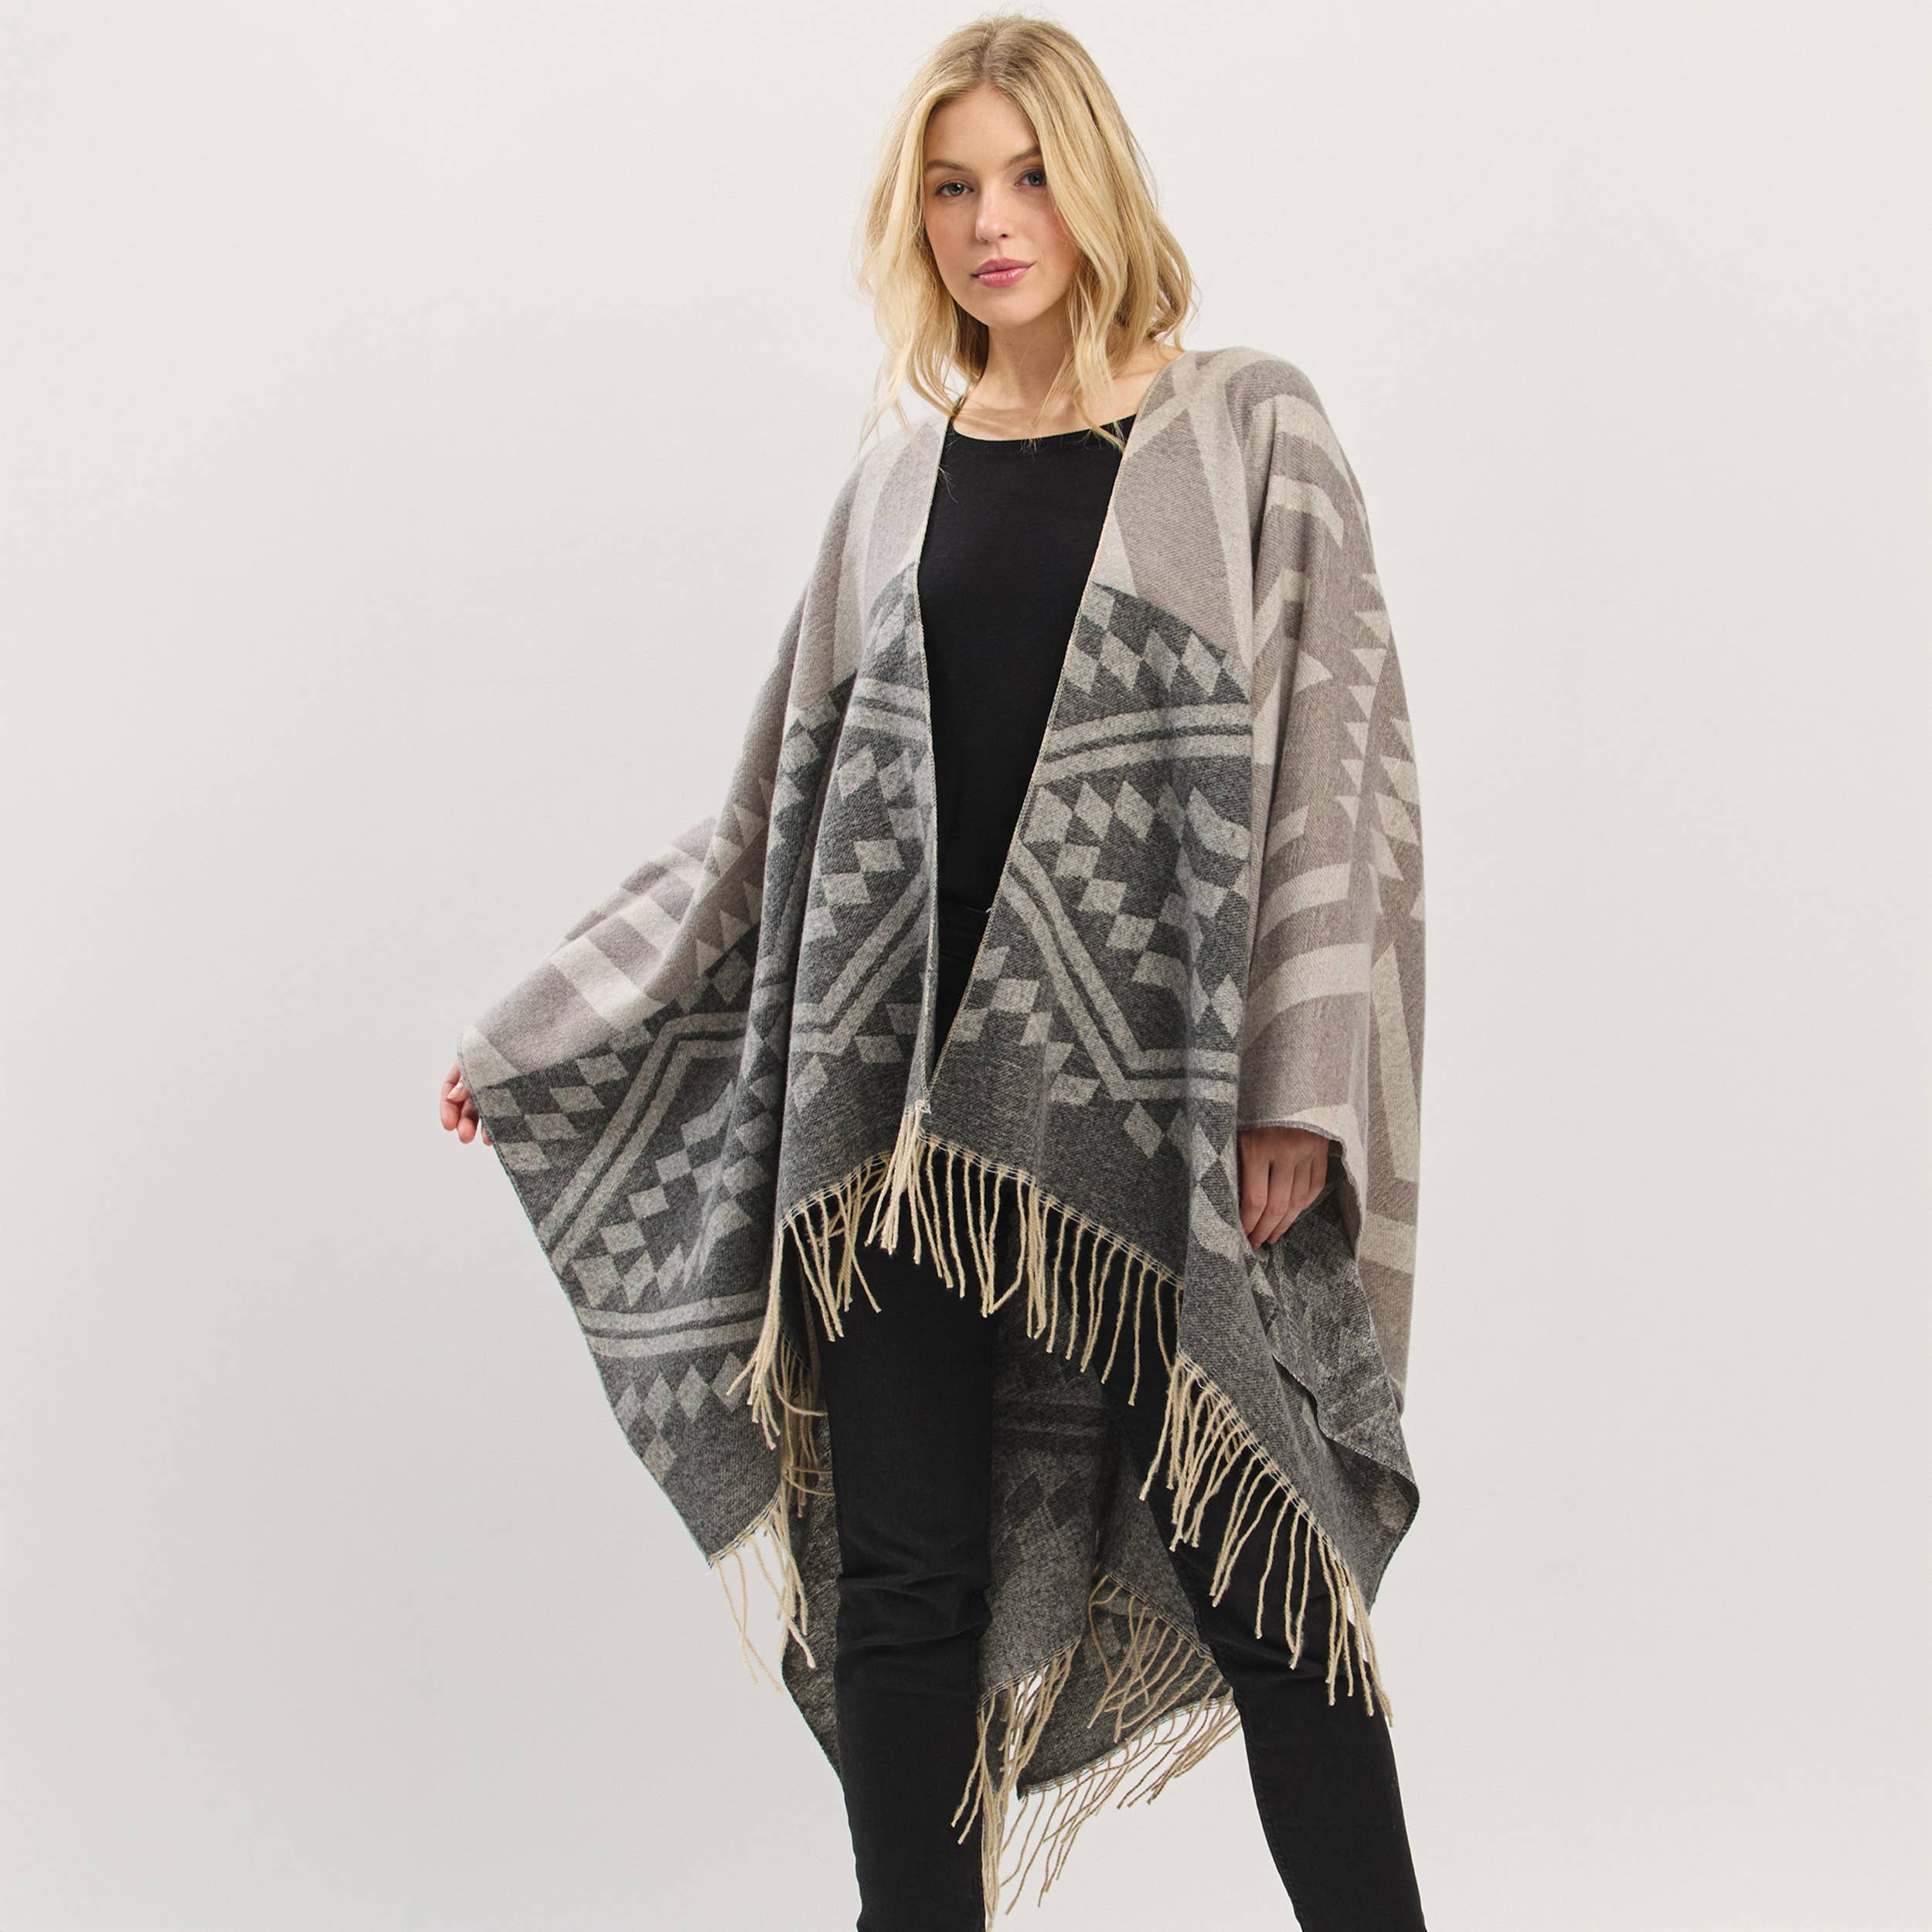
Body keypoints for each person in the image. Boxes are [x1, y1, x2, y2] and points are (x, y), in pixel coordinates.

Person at [444, 17, 1427, 1930]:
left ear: (1094, 181)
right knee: (902, 1591)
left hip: (1155, 1111)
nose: (993, 222)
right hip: (898, 1123)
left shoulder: (1244, 424)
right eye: (954, 186)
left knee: (1268, 1569)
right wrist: (539, 1026)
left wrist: (1298, 1084)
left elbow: (1342, 755)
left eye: (1029, 175)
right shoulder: (895, 486)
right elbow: (766, 825)